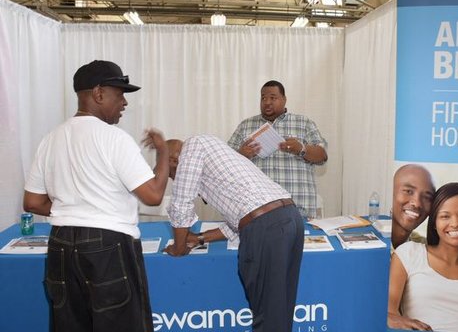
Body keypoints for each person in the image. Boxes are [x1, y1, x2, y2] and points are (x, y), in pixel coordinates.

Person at [22, 60, 170, 332]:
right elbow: (152, 195)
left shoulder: (50, 139)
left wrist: (75, 204)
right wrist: (162, 152)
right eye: (120, 94)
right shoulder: (114, 138)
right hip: (109, 246)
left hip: (60, 244)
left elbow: (32, 202)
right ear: (98, 93)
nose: (124, 103)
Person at [163, 135, 304, 332]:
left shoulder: (190, 149)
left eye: (169, 173)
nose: (171, 178)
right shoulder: (212, 146)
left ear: (172, 160)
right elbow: (242, 219)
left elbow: (181, 202)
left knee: (267, 318)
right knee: (279, 312)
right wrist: (200, 238)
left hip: (266, 227)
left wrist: (179, 248)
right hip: (290, 218)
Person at [388, 182, 458, 332]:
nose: (455, 223)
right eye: (445, 216)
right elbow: (388, 314)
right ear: (434, 223)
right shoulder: (410, 253)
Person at [228, 80, 327, 219]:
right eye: (263, 98)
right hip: (257, 211)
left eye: (273, 98)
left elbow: (322, 156)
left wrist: (301, 148)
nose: (267, 102)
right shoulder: (246, 126)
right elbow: (225, 163)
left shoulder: (304, 123)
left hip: (298, 211)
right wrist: (241, 154)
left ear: (284, 99)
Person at [391, 164, 435, 249]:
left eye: (427, 197)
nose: (417, 203)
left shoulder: (424, 249)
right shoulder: (368, 243)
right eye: (408, 191)